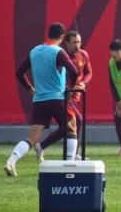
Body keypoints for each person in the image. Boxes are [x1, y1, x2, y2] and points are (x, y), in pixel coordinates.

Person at [4, 23, 79, 176]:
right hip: (57, 98)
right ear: (62, 36)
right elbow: (74, 71)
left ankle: (11, 161)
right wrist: (71, 88)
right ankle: (70, 165)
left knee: (32, 138)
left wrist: (30, 89)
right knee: (72, 127)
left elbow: (19, 72)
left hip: (39, 100)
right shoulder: (58, 51)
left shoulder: (35, 51)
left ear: (48, 34)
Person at [35, 30, 92, 161]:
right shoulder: (61, 56)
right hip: (63, 95)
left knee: (68, 126)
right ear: (67, 43)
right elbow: (59, 77)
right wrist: (67, 89)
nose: (77, 45)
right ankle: (71, 154)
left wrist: (83, 82)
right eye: (74, 42)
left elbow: (89, 72)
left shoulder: (83, 54)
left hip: (76, 95)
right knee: (77, 120)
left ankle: (42, 146)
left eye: (79, 42)